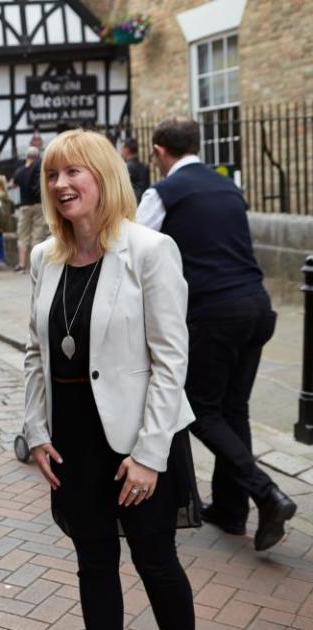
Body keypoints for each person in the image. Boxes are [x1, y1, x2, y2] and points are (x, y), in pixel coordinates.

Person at [24, 129, 197, 630]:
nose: (60, 183)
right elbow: (36, 353)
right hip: (72, 440)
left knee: (155, 561)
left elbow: (171, 360)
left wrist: (149, 453)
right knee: (93, 563)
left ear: (104, 177)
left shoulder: (150, 250)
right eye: (52, 174)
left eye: (73, 171)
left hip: (136, 438)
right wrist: (36, 429)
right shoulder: (43, 257)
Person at [138, 117, 296, 551]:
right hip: (257, 306)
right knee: (233, 409)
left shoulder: (163, 192)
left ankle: (266, 494)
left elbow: (133, 249)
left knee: (200, 410)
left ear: (158, 151)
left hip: (213, 312)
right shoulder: (228, 186)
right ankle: (230, 510)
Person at [11, 145, 46, 272]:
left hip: (25, 206)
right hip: (38, 205)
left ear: (26, 157)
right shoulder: (39, 168)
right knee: (37, 234)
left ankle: (21, 264)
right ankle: (34, 266)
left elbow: (12, 185)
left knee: (23, 235)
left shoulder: (19, 171)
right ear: (37, 157)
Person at [120, 137, 150, 202]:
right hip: (144, 201)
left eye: (122, 148)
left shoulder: (126, 167)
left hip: (132, 204)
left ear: (126, 150)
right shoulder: (144, 167)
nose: (120, 151)